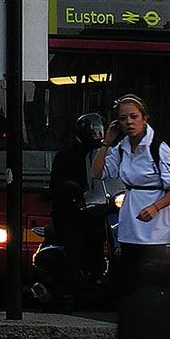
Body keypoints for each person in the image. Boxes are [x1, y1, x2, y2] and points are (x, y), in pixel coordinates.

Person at [90, 94, 170, 339]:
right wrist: (106, 143)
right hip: (131, 221)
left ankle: (154, 336)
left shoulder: (157, 148)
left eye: (133, 117)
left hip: (153, 224)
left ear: (145, 119)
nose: (129, 123)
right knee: (129, 281)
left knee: (148, 281)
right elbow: (97, 173)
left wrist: (155, 207)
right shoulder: (121, 148)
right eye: (123, 119)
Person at [48, 113, 107, 304]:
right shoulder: (67, 156)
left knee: (101, 239)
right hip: (70, 213)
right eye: (93, 132)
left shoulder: (105, 155)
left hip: (95, 211)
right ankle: (67, 295)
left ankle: (100, 280)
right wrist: (74, 198)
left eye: (99, 132)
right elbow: (58, 187)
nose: (96, 136)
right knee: (75, 247)